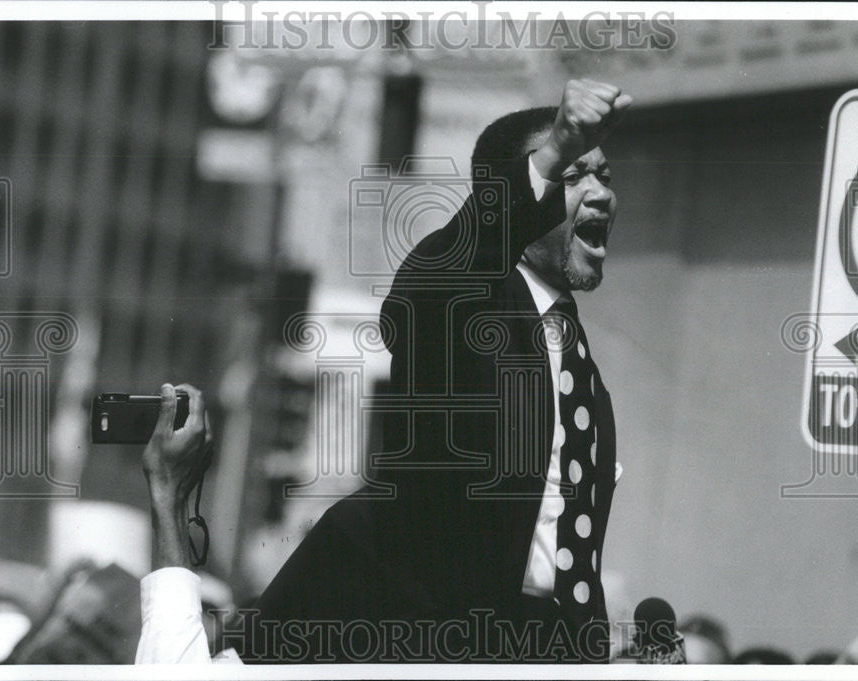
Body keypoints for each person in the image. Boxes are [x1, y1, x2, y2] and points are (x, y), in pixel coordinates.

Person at [137, 78, 632, 663]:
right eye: (575, 176)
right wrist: (555, 150)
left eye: (605, 176)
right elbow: (441, 279)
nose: (601, 193)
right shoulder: (467, 309)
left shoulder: (580, 368)